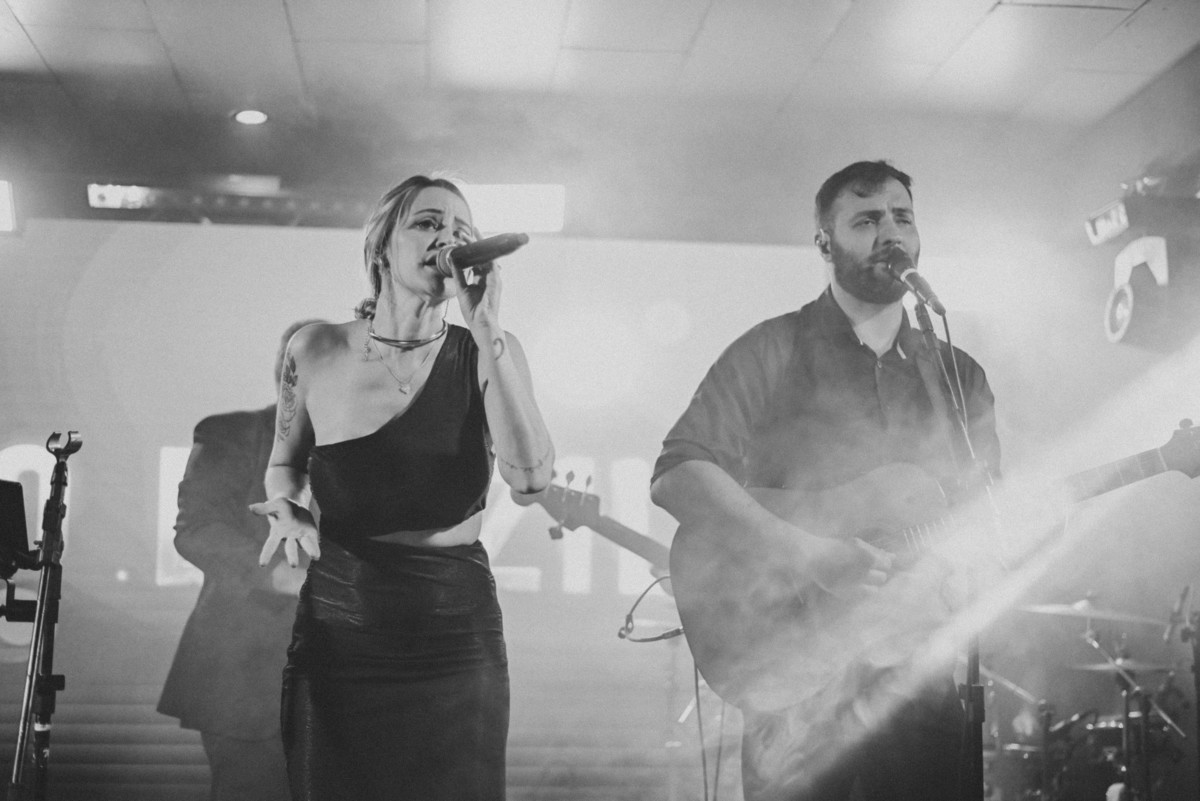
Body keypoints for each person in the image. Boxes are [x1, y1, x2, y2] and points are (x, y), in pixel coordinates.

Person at [650, 160, 1001, 801]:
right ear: (824, 243)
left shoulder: (958, 375)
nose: (889, 233)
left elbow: (986, 518)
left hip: (917, 681)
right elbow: (678, 475)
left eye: (902, 217)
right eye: (866, 220)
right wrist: (810, 555)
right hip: (793, 686)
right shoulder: (772, 348)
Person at [251, 175, 554, 801]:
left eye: (462, 231)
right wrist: (287, 507)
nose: (448, 240)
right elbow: (285, 463)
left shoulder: (489, 350)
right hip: (342, 626)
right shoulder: (316, 349)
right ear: (381, 246)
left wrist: (487, 326)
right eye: (428, 223)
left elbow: (529, 478)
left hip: (453, 632)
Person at [158, 317, 326, 801]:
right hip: (244, 673)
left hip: (344, 674)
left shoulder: (362, 454)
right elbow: (197, 530)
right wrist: (280, 577)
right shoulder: (232, 433)